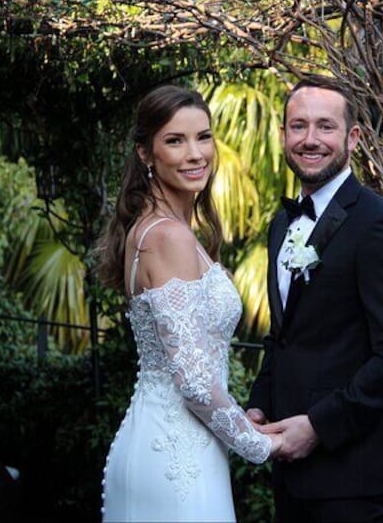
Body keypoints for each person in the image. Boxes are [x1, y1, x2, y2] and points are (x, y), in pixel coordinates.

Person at [247, 74, 383, 522]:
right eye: (298, 126)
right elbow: (287, 336)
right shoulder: (282, 225)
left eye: (325, 127)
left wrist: (318, 426)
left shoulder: (379, 226)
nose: (310, 140)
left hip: (357, 484)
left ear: (353, 137)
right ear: (283, 135)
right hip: (292, 479)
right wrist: (258, 403)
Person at [96, 84, 282, 522]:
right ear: (146, 153)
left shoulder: (155, 229)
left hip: (171, 439)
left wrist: (238, 417)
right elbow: (194, 381)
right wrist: (263, 444)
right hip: (176, 454)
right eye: (175, 141)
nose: (196, 153)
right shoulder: (167, 236)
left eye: (203, 136)